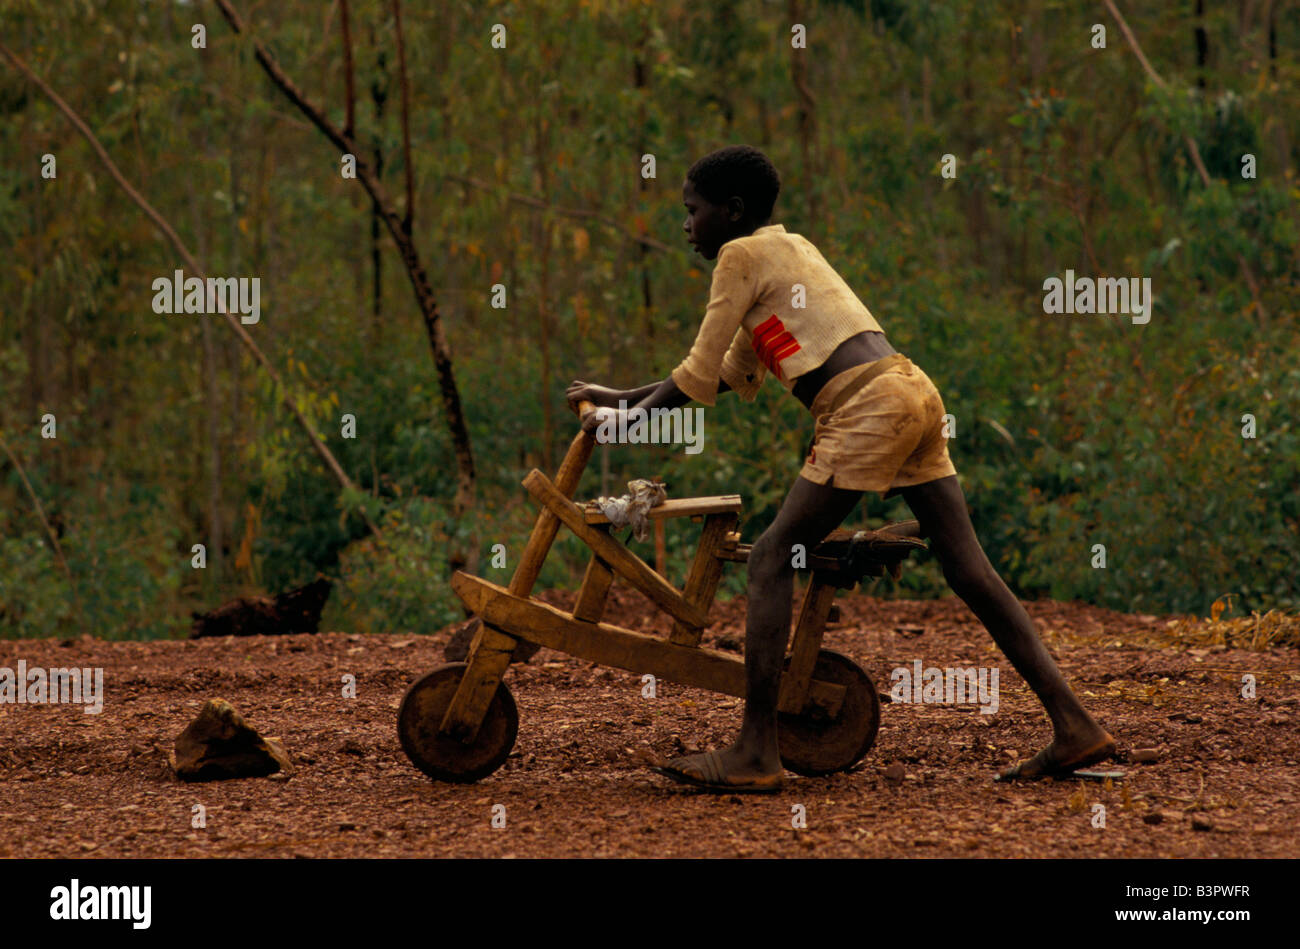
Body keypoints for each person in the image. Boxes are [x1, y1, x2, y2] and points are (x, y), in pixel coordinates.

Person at [566, 145, 1114, 792]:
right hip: (911, 390)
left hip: (865, 407)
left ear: (731, 211)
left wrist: (625, 421)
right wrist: (616, 399)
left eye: (692, 210)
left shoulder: (739, 257)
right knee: (969, 566)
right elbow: (714, 373)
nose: (685, 224)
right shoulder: (785, 249)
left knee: (771, 557)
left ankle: (756, 751)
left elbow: (691, 376)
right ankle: (1074, 724)